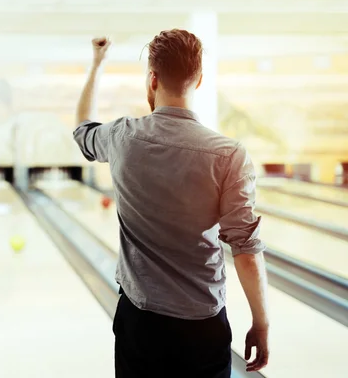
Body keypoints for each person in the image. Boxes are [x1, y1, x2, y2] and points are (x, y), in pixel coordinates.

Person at [73, 31, 269, 378]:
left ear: (152, 78)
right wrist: (261, 321)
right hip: (203, 326)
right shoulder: (230, 154)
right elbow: (246, 250)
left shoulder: (123, 137)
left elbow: (83, 130)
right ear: (200, 80)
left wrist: (97, 65)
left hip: (141, 323)